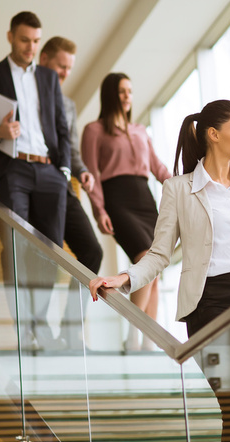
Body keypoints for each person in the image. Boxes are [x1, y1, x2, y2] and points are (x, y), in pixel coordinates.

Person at [88, 100, 230, 442]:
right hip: (212, 303)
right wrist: (125, 277)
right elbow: (159, 254)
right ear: (213, 134)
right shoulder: (178, 188)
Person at [0, 11, 70, 350]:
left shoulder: (48, 77)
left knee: (50, 251)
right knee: (14, 247)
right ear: (11, 37)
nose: (31, 47)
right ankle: (23, 329)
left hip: (49, 171)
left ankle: (39, 324)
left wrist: (64, 169)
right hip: (13, 170)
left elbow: (61, 126)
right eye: (25, 40)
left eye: (36, 41)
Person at [81, 72, 170, 351]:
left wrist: (186, 186)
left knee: (154, 271)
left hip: (145, 199)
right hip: (117, 200)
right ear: (110, 95)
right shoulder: (94, 130)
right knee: (144, 258)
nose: (127, 96)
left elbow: (158, 168)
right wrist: (99, 210)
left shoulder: (140, 130)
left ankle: (148, 343)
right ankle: (132, 336)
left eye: (130, 90)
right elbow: (91, 174)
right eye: (121, 91)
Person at [39, 36, 103, 274]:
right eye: (61, 66)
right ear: (44, 59)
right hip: (37, 185)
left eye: (69, 68)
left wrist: (83, 171)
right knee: (47, 257)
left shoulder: (68, 106)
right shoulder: (26, 98)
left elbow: (72, 150)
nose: (66, 73)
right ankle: (38, 314)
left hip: (64, 186)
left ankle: (74, 313)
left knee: (93, 251)